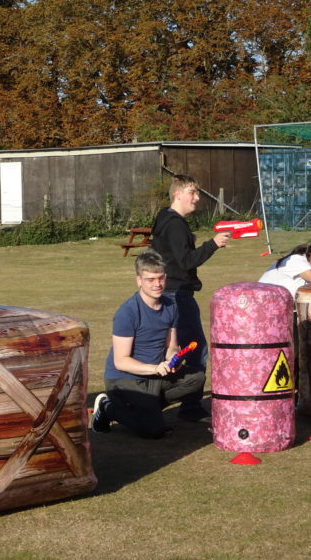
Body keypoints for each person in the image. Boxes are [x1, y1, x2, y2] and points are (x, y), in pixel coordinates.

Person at [91, 250, 205, 438]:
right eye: (150, 279)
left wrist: (172, 360)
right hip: (124, 378)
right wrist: (155, 368)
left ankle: (146, 409)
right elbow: (121, 361)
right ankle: (108, 408)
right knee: (154, 430)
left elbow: (172, 346)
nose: (157, 284)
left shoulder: (171, 306)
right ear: (139, 280)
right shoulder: (127, 312)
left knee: (197, 378)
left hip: (155, 375)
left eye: (160, 278)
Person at [149, 174, 229, 422]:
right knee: (196, 349)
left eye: (197, 193)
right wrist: (213, 245)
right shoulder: (174, 224)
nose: (197, 198)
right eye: (192, 192)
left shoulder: (167, 220)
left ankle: (157, 400)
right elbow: (185, 262)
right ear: (177, 194)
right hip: (177, 294)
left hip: (171, 292)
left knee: (174, 351)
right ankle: (190, 408)